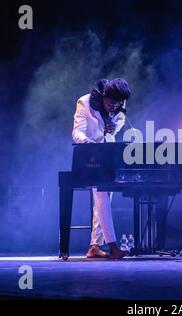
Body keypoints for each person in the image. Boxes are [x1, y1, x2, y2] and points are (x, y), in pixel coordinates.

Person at [72, 78, 131, 259]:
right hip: (89, 156)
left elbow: (116, 127)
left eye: (118, 103)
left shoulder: (119, 106)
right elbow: (76, 132)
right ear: (104, 95)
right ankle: (112, 246)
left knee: (102, 201)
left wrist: (112, 126)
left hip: (108, 155)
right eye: (111, 102)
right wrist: (90, 144)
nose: (114, 106)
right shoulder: (85, 102)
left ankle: (95, 245)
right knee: (102, 196)